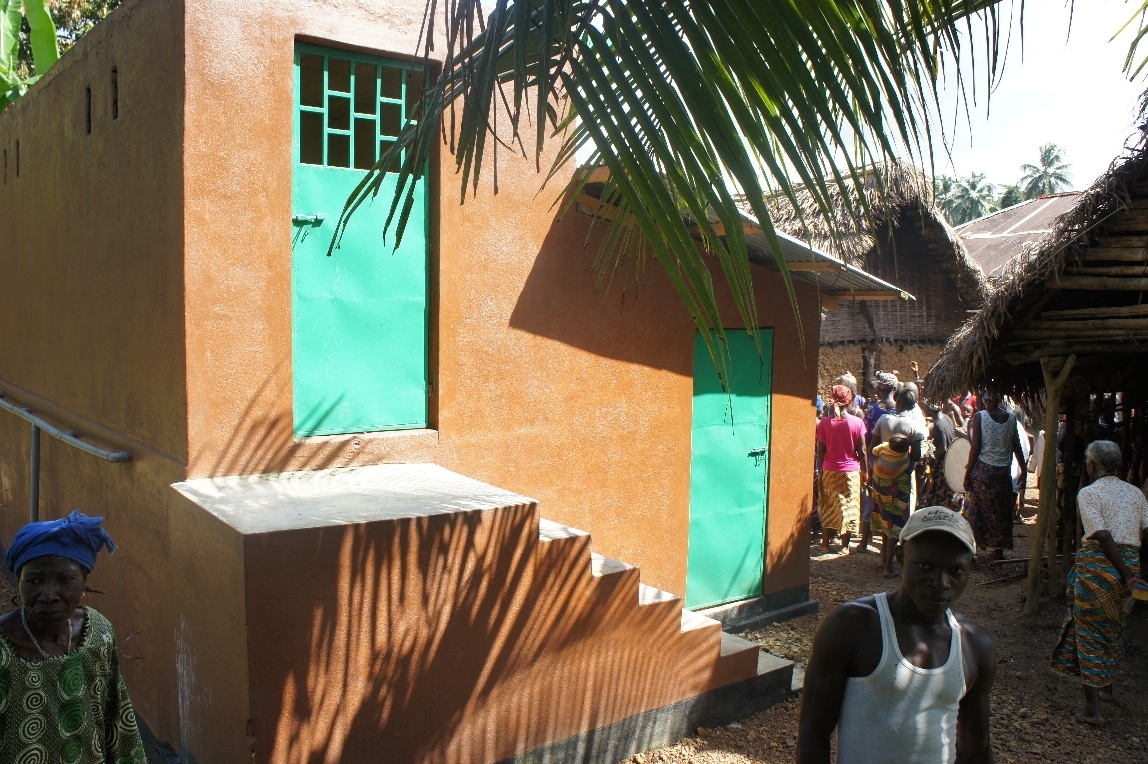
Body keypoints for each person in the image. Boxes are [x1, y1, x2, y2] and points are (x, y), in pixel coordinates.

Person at [798, 507, 996, 763]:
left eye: (955, 570)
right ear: (900, 557)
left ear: (971, 568)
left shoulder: (975, 646)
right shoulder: (853, 626)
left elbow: (976, 751)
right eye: (925, 565)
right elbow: (813, 731)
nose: (940, 581)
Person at [0, 511, 147, 764]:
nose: (48, 594)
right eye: (34, 580)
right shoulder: (4, 646)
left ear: (83, 584)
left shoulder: (98, 633)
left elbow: (117, 720)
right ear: (19, 583)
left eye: (64, 580)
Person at [1050, 440, 1148, 726]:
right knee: (1113, 628)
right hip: (1128, 562)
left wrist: (1125, 573)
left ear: (1092, 465)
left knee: (1089, 632)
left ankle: (1092, 710)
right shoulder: (1136, 495)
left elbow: (1102, 536)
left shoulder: (1089, 493)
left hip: (1099, 568)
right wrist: (1133, 571)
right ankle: (1106, 687)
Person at [963, 387, 1026, 563]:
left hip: (983, 471)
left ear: (985, 400)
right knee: (1001, 512)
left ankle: (973, 553)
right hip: (1002, 473)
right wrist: (1024, 470)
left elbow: (975, 448)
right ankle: (998, 553)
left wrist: (968, 475)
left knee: (977, 512)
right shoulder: (1011, 418)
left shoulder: (979, 417)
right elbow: (1016, 446)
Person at [871, 385, 928, 576]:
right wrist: (904, 469)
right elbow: (917, 455)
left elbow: (873, 447)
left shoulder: (883, 419)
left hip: (881, 476)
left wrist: (880, 466)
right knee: (896, 521)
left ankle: (882, 559)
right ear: (913, 405)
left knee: (883, 514)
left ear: (896, 400)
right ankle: (888, 566)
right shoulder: (914, 426)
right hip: (901, 480)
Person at [815, 385, 868, 554]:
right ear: (849, 400)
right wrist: (865, 472)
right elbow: (863, 451)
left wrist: (820, 471)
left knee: (829, 504)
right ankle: (844, 546)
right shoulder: (857, 423)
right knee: (849, 507)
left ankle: (825, 543)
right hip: (850, 473)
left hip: (829, 470)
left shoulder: (824, 423)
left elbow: (821, 450)